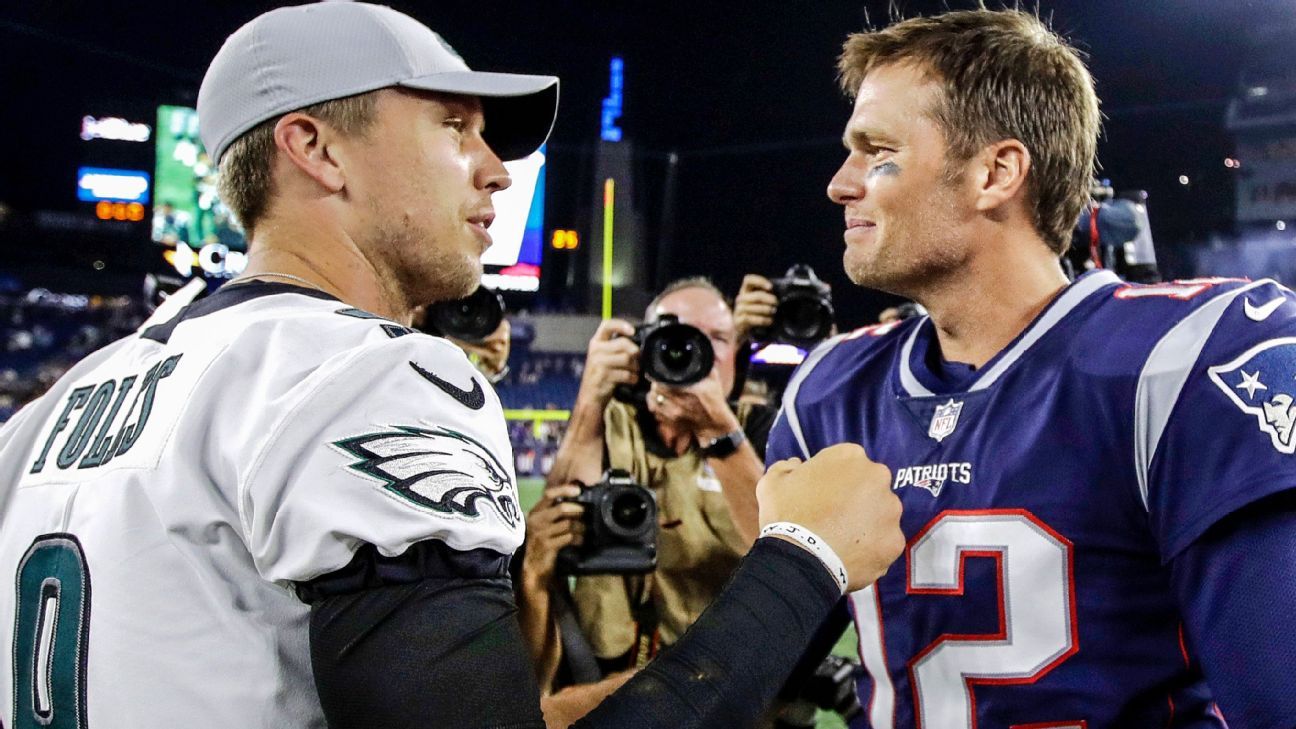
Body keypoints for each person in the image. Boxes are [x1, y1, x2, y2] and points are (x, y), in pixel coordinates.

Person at [0, 4, 905, 728]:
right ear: (315, 148)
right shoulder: (363, 374)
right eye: (454, 127)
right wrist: (805, 556)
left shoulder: (51, 411)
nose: (497, 171)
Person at [769, 8, 1296, 728]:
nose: (840, 182)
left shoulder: (1181, 362)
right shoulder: (830, 392)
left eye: (876, 149)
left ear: (995, 171)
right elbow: (753, 674)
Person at [521, 279, 771, 687]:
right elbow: (562, 537)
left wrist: (717, 427)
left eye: (718, 339)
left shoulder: (759, 429)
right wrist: (590, 398)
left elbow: (778, 546)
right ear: (644, 346)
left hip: (725, 673)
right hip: (610, 669)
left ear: (737, 354)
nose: (695, 352)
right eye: (679, 334)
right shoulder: (614, 417)